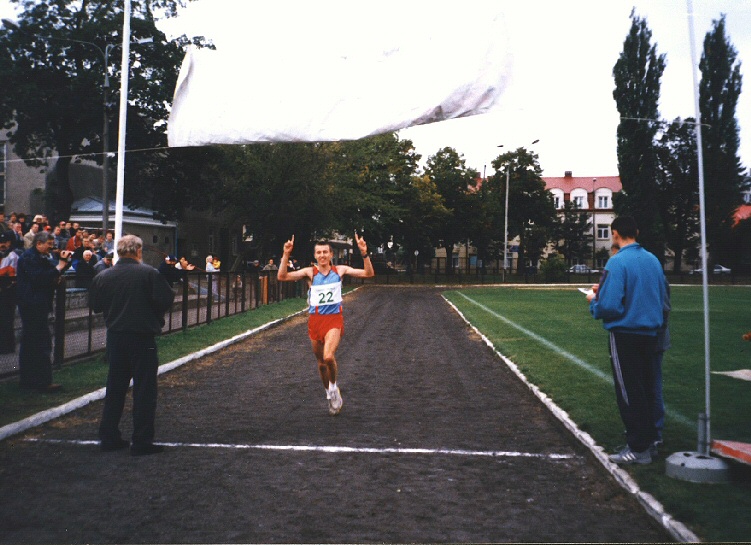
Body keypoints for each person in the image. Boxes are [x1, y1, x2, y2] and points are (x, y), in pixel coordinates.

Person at [587, 216, 666, 465]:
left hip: (626, 335)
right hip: (651, 334)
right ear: (637, 231)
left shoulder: (617, 261)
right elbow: (661, 297)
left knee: (629, 391)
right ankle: (650, 441)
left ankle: (637, 447)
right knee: (646, 387)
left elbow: (610, 305)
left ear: (615, 233)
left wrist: (594, 304)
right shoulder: (653, 260)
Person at [89, 235, 175, 456]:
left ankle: (108, 436)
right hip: (142, 337)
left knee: (115, 387)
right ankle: (142, 440)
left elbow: (96, 306)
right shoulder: (149, 274)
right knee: (145, 389)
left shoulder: (104, 276)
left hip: (116, 337)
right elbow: (165, 300)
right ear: (138, 251)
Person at [277, 233, 374, 415]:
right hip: (315, 321)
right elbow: (282, 276)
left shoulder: (340, 270)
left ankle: (334, 386)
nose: (322, 255)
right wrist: (286, 254)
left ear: (331, 255)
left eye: (325, 252)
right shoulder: (309, 273)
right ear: (315, 256)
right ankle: (329, 392)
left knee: (329, 357)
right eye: (319, 252)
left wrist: (364, 253)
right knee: (321, 363)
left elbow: (369, 273)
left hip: (333, 320)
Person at [16, 232, 73, 392]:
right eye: (49, 243)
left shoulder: (41, 258)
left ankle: (36, 381)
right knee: (37, 344)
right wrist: (59, 267)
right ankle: (37, 383)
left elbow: (51, 273)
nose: (51, 246)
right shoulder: (29, 258)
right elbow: (39, 279)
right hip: (32, 306)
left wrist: (63, 263)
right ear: (38, 243)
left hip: (38, 305)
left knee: (39, 343)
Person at [0, 231, 19, 354]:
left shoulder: (13, 256)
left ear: (9, 243)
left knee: (6, 320)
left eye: (5, 242)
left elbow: (12, 277)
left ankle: (7, 347)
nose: (2, 244)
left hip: (7, 294)